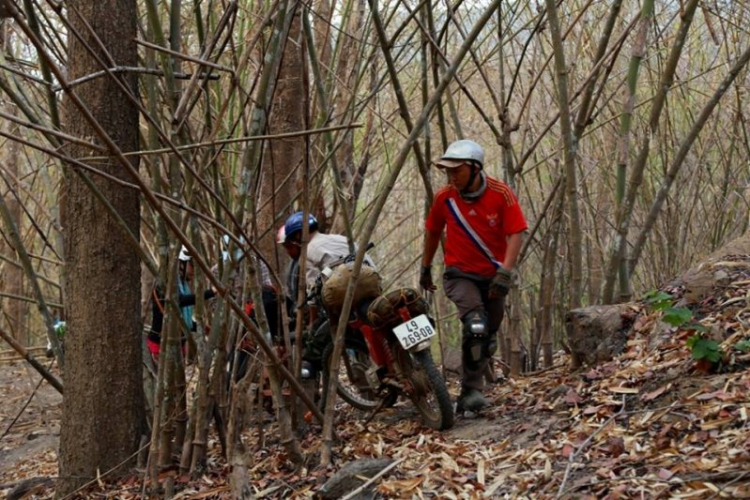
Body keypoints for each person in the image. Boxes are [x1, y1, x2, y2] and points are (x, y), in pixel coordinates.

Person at [419, 139, 528, 413]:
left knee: (487, 336)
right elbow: (433, 231)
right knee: (476, 325)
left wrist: (505, 271)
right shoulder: (445, 197)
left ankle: (471, 385)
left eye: (457, 170)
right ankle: (471, 391)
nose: (452, 176)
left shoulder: (500, 193)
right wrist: (425, 266)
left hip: (493, 276)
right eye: (448, 171)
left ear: (475, 168)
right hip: (459, 274)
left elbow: (517, 231)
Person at [277, 211, 378, 375]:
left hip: (342, 291)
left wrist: (312, 321)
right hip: (371, 281)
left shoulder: (307, 252)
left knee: (322, 327)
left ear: (297, 235)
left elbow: (312, 290)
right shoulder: (340, 239)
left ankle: (309, 365)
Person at [148, 245, 216, 362]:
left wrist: (199, 326)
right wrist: (211, 293)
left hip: (179, 343)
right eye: (192, 265)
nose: (194, 271)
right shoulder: (164, 284)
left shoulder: (183, 284)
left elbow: (182, 319)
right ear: (181, 263)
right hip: (161, 344)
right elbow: (179, 301)